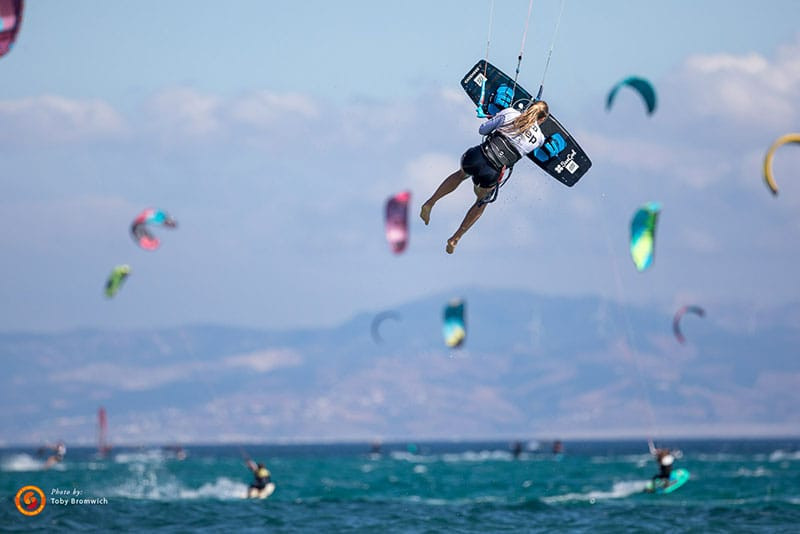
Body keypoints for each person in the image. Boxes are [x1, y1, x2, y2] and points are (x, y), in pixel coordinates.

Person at [419, 100, 549, 254]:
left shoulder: (510, 113)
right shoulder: (539, 139)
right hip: (491, 173)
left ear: (529, 107)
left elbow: (482, 130)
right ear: (542, 119)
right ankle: (455, 238)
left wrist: (495, 118)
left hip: (475, 158)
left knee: (460, 175)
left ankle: (430, 203)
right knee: (482, 201)